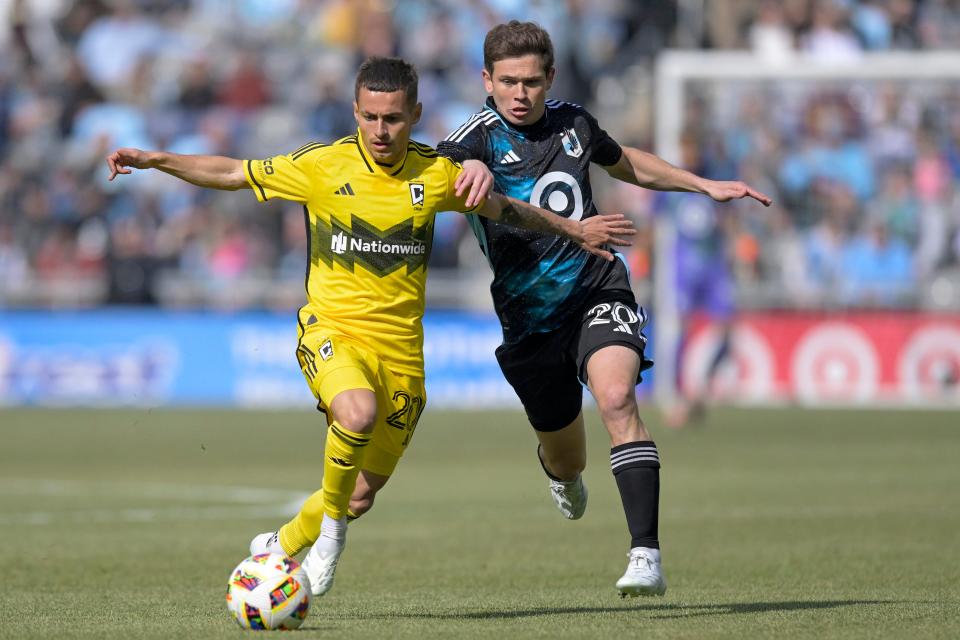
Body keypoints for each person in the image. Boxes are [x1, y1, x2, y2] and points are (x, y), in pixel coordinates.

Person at [105, 56, 635, 598]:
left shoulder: (436, 174)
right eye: (370, 117)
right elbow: (232, 172)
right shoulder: (323, 166)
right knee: (354, 413)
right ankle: (330, 537)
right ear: (355, 112)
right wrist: (155, 159)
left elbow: (507, 210)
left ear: (416, 114)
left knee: (359, 494)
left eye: (394, 119)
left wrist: (574, 228)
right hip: (332, 329)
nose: (380, 131)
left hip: (402, 356)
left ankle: (283, 544)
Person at [437, 21, 772, 597]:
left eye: (532, 82)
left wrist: (701, 185)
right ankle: (560, 475)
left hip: (597, 288)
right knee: (567, 459)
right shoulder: (473, 138)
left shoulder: (574, 122)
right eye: (509, 82)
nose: (521, 93)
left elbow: (624, 163)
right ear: (487, 80)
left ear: (550, 78)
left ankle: (646, 554)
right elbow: (454, 168)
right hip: (529, 322)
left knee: (618, 397)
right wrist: (467, 169)